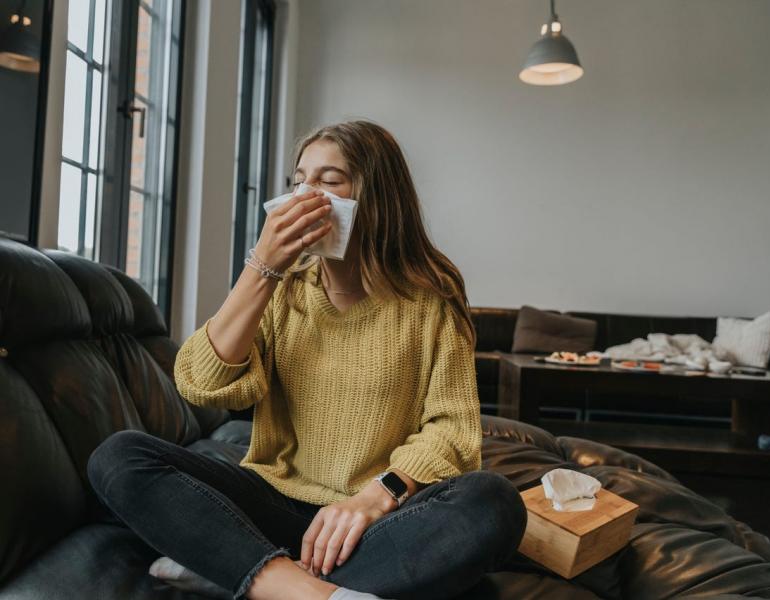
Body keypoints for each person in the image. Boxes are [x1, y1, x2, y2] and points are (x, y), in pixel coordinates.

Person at [87, 120, 528, 600]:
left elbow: (452, 431)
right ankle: (303, 590)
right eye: (299, 180)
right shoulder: (283, 289)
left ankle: (239, 570)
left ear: (375, 196)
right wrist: (262, 266)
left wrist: (374, 498)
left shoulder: (430, 298)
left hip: (371, 524)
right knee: (119, 457)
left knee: (494, 502)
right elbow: (201, 384)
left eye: (328, 180)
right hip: (270, 503)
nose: (304, 194)